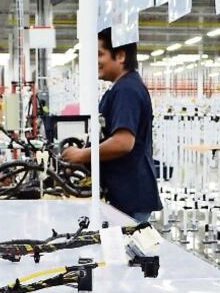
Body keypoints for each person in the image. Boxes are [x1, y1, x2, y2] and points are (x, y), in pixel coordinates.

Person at [61, 28, 162, 223]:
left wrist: (82, 154)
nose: (96, 61)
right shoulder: (121, 88)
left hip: (130, 196)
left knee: (125, 252)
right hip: (124, 193)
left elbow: (123, 142)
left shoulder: (127, 90)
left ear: (121, 55)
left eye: (100, 54)